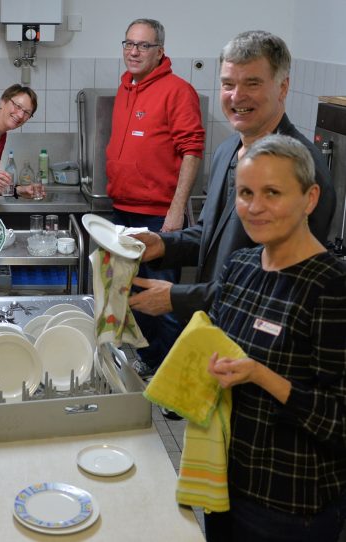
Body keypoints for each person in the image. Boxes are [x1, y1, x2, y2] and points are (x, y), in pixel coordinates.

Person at [129, 31, 336, 327]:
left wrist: (181, 297)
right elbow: (211, 234)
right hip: (216, 330)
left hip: (265, 343)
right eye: (228, 84)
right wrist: (163, 245)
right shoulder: (228, 149)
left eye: (252, 83)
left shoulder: (302, 167)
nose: (237, 96)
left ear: (283, 87)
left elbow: (284, 281)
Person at [204, 134, 346, 541]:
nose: (255, 207)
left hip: (291, 506)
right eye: (245, 192)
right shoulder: (239, 267)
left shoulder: (332, 287)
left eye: (272, 192)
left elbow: (340, 421)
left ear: (310, 198)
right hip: (225, 484)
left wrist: (261, 375)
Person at [106, 18, 205, 374]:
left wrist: (176, 211)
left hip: (158, 216)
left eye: (143, 45)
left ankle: (174, 378)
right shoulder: (126, 87)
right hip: (123, 210)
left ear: (160, 51)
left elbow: (192, 150)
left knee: (165, 298)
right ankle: (151, 363)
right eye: (128, 43)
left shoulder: (178, 91)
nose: (133, 51)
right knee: (132, 292)